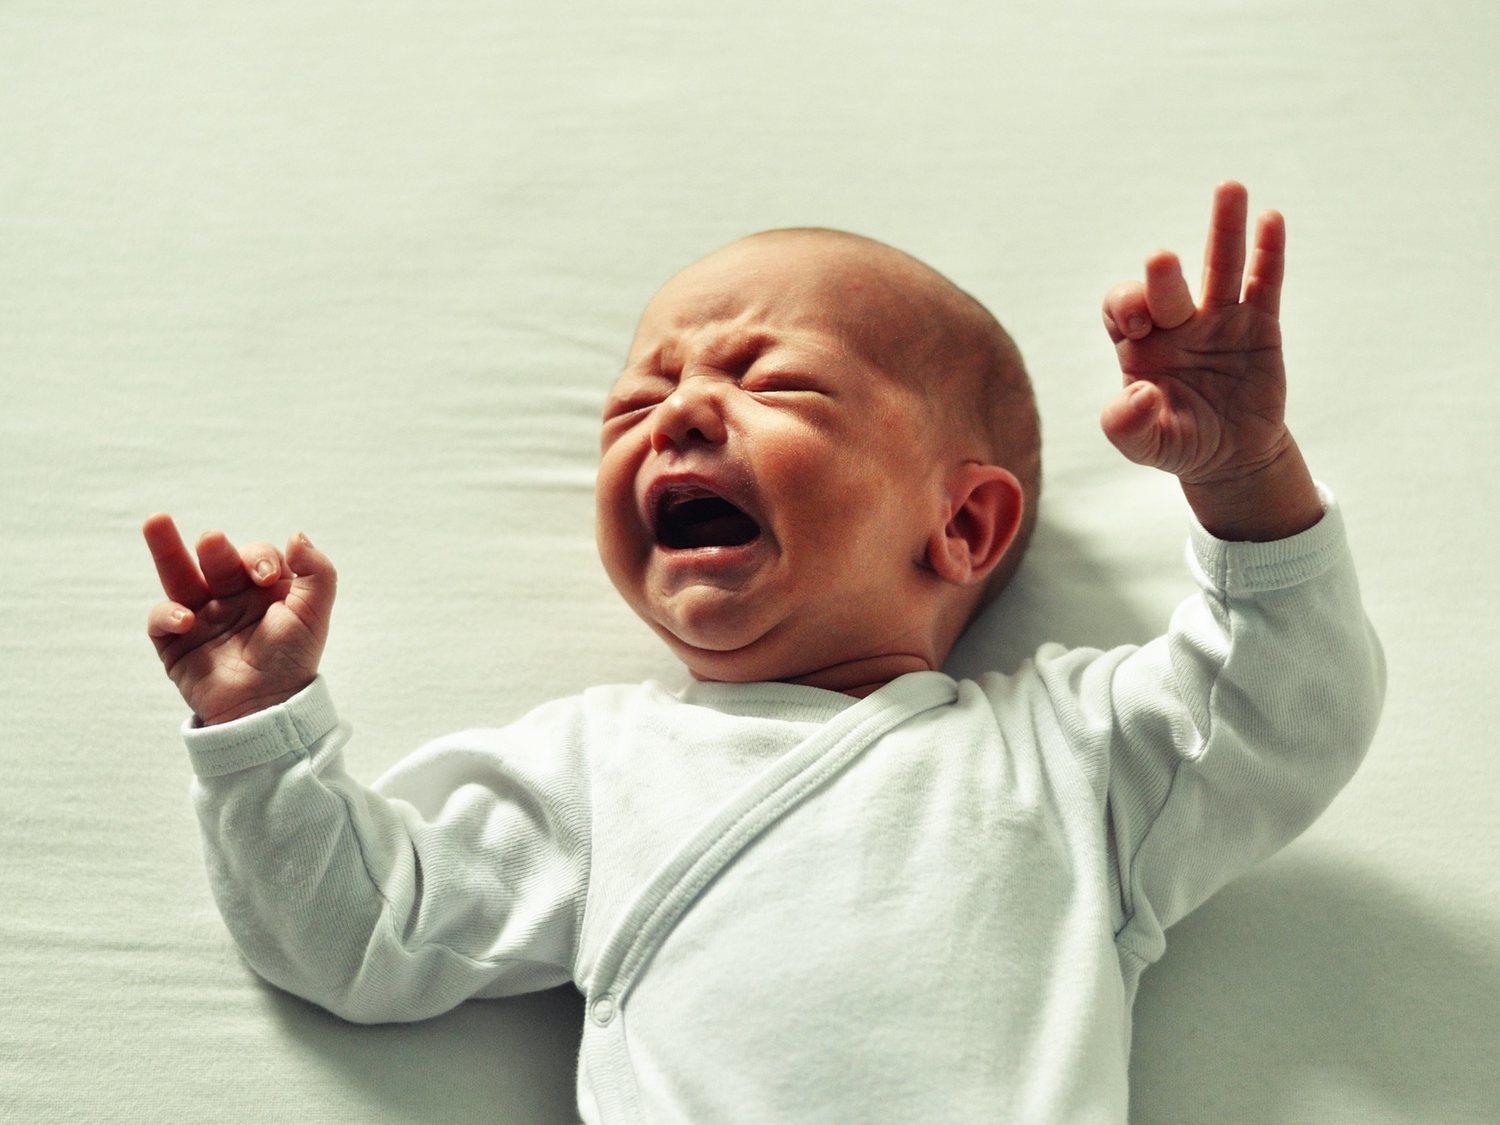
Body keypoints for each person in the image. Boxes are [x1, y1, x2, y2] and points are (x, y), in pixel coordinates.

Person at [143, 182, 1384, 1123]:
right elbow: (363, 931)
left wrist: (1246, 480)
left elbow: (1282, 708)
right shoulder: (599, 766)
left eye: (773, 383)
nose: (680, 411)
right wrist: (262, 730)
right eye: (637, 403)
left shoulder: (1065, 752)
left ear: (960, 525)